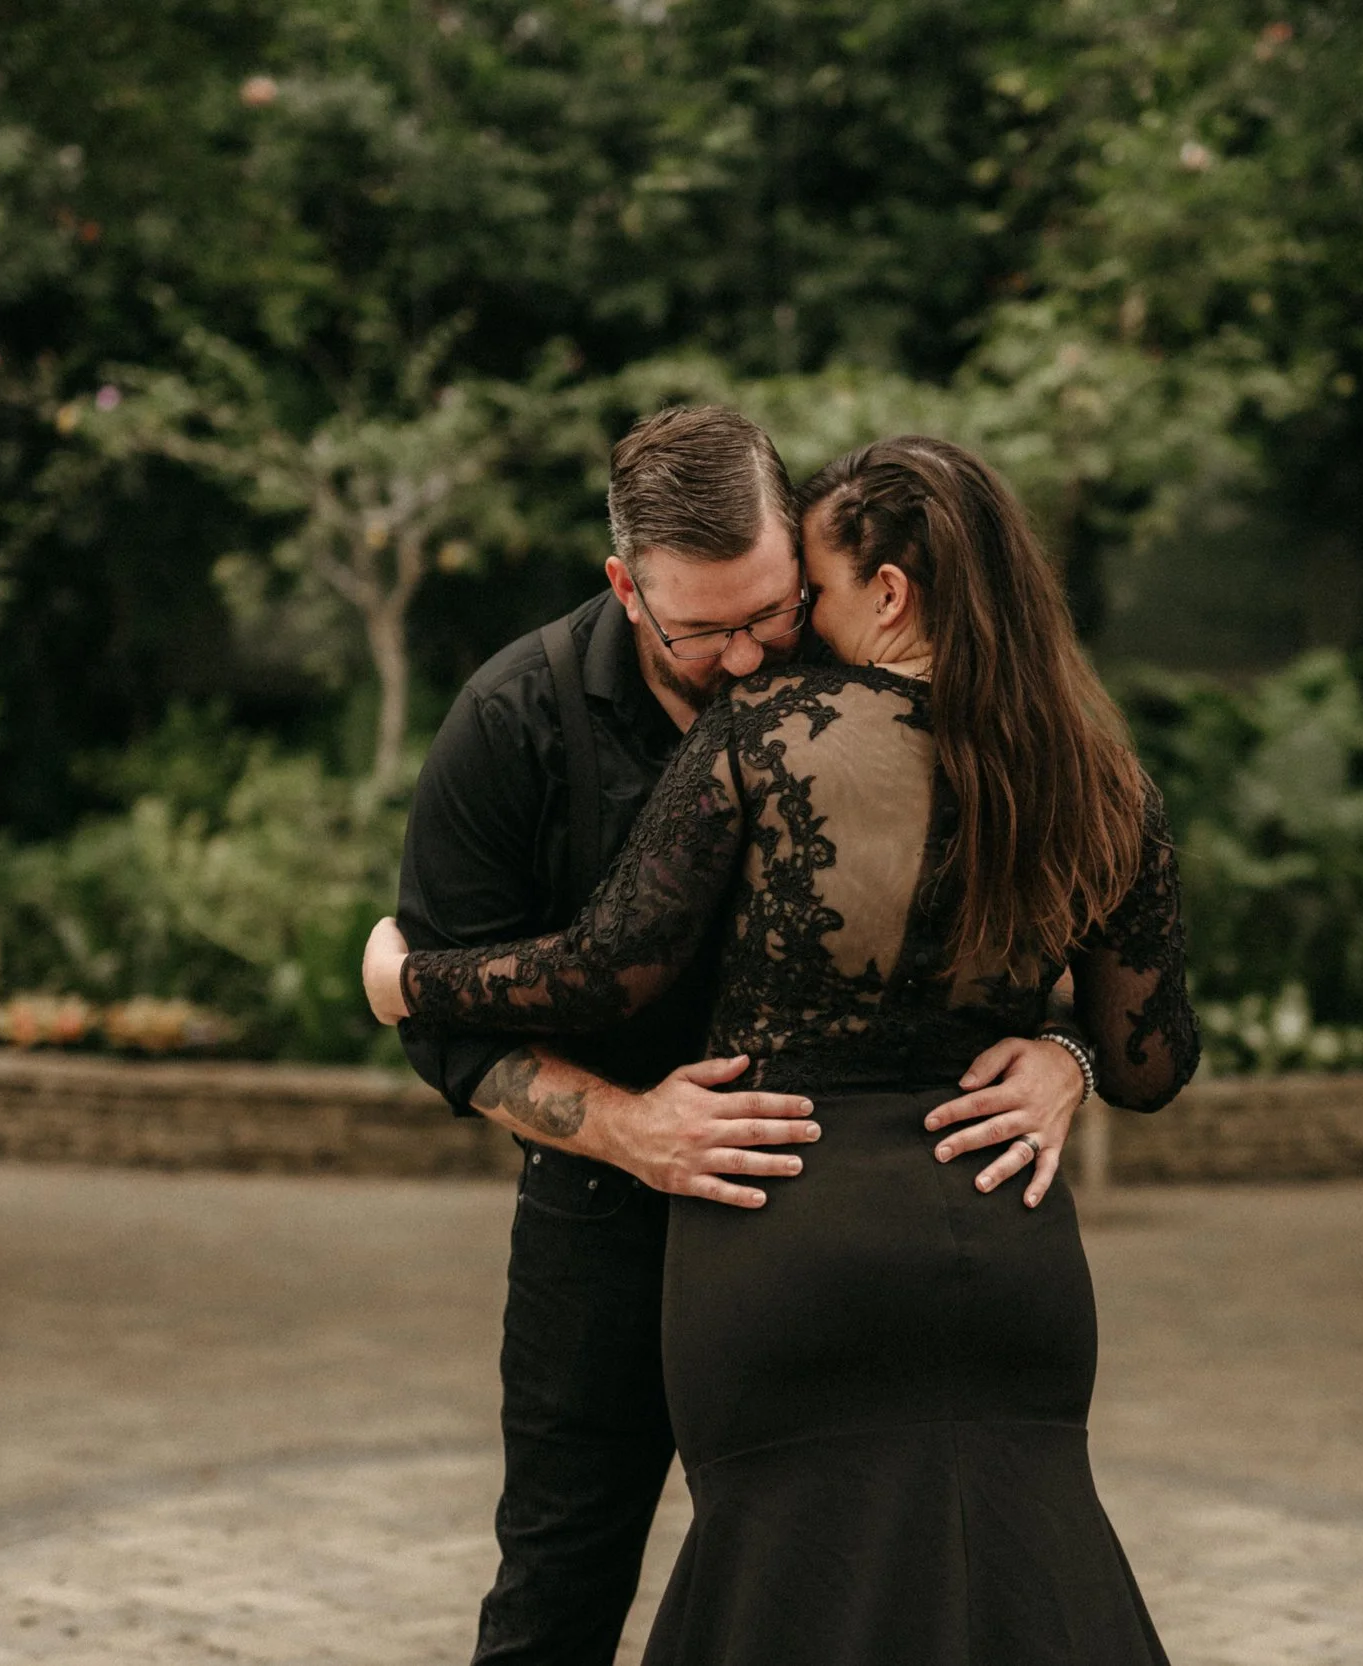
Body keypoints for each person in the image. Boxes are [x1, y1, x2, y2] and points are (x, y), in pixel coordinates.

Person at [369, 433, 1201, 1665]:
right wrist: (628, 1129)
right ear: (626, 588)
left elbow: (602, 969)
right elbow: (1158, 1051)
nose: (752, 649)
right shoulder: (514, 716)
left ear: (872, 589)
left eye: (782, 605)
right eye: (706, 632)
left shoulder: (771, 716)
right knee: (577, 1573)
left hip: (786, 1238)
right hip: (720, 1216)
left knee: (792, 1587)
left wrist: (402, 978)